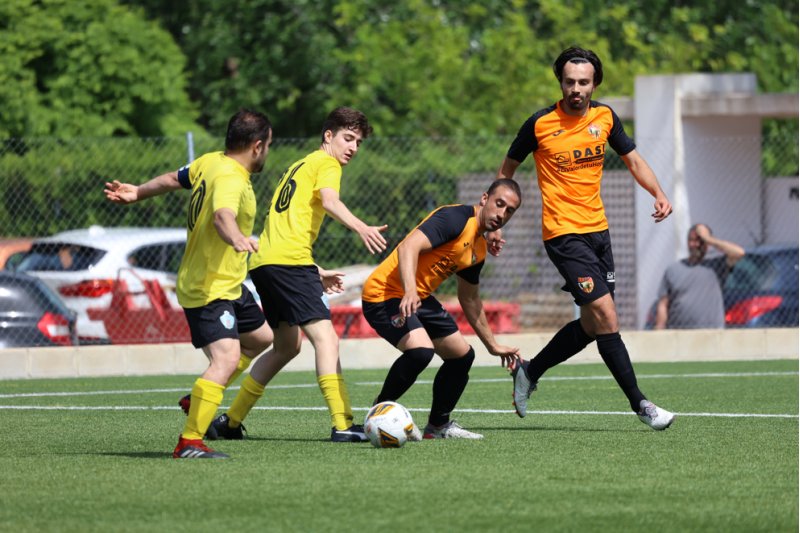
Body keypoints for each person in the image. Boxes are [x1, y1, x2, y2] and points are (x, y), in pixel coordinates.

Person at [496, 46, 676, 430]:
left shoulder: (606, 117)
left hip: (599, 232)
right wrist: (494, 223)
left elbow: (633, 161)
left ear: (595, 83)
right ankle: (642, 405)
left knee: (595, 326)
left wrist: (658, 193)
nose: (576, 88)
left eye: (583, 82)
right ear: (560, 82)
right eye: (569, 82)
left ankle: (530, 371)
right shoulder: (540, 124)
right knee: (608, 317)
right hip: (563, 234)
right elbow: (507, 170)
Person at [209, 106, 388, 443]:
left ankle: (229, 422)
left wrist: (314, 271)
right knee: (327, 339)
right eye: (348, 138)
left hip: (266, 264)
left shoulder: (298, 165)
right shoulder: (327, 164)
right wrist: (361, 227)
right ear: (328, 136)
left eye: (359, 142)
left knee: (286, 347)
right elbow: (330, 201)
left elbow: (284, 226)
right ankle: (342, 424)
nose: (353, 147)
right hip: (288, 264)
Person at [104, 109, 275, 458]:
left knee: (261, 338)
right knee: (226, 359)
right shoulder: (231, 177)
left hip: (228, 284)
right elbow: (221, 216)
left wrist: (138, 192)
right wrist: (237, 238)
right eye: (268, 145)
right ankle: (190, 442)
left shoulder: (211, 162)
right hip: (207, 287)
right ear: (257, 146)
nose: (267, 151)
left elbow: (171, 178)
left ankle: (198, 397)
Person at [362, 179, 523, 439]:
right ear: (484, 199)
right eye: (499, 204)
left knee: (462, 356)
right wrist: (411, 290)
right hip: (383, 293)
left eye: (509, 211)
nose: (501, 214)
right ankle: (376, 414)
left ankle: (437, 427)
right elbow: (408, 247)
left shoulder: (479, 250)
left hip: (419, 297)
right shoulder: (455, 218)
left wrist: (492, 345)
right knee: (421, 351)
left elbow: (469, 298)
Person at [654, 223, 745, 329]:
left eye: (700, 241)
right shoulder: (673, 270)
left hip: (711, 334)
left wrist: (708, 238)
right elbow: (663, 304)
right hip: (679, 334)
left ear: (707, 244)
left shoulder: (717, 266)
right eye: (691, 240)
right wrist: (659, 329)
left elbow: (739, 253)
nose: (695, 244)